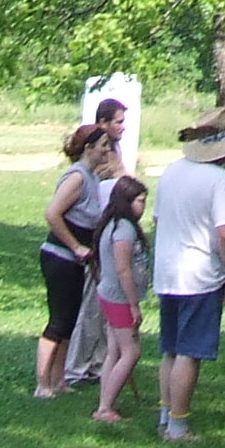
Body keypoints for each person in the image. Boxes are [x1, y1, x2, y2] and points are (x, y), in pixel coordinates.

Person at [152, 112, 225, 442]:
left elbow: (158, 219)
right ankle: (178, 425)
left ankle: (165, 415)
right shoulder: (220, 180)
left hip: (168, 271)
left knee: (170, 348)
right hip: (200, 274)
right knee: (189, 352)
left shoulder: (171, 172)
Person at [59, 93, 135, 388]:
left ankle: (99, 361)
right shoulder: (96, 160)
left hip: (109, 231)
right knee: (91, 304)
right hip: (97, 236)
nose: (123, 126)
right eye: (118, 122)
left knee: (105, 305)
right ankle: (76, 366)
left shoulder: (113, 149)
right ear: (102, 122)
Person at [36, 123, 116, 397]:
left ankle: (59, 381)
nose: (107, 150)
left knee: (69, 321)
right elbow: (52, 214)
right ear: (88, 148)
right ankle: (42, 383)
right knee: (58, 321)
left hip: (75, 262)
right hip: (59, 257)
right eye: (103, 145)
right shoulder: (77, 177)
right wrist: (76, 246)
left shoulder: (92, 177)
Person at [90, 175, 150, 426]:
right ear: (127, 201)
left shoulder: (113, 224)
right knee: (131, 352)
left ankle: (105, 402)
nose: (143, 206)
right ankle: (104, 408)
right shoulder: (124, 229)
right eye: (140, 201)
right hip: (119, 298)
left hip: (109, 294)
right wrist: (133, 304)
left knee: (114, 350)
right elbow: (123, 269)